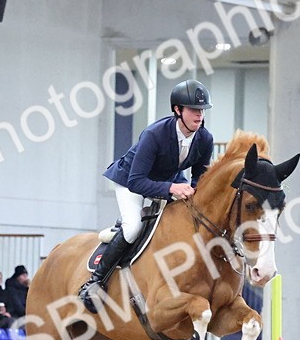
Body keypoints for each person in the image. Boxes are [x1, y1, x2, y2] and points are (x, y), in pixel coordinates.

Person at [77, 78, 215, 313]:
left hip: (169, 178)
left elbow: (199, 176)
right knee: (133, 227)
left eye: (201, 110)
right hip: (132, 180)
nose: (199, 115)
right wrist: (172, 189)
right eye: (193, 109)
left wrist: (193, 193)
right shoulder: (155, 134)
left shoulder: (205, 138)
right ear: (177, 110)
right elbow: (136, 180)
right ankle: (95, 282)